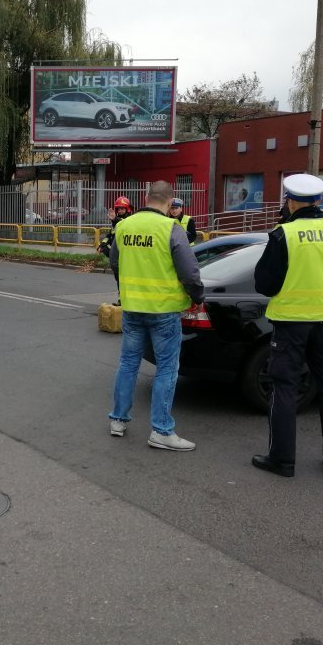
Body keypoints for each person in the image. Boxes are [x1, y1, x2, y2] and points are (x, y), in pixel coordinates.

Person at [252, 173, 323, 478]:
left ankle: (282, 460)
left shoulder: (283, 235)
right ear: (320, 200)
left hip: (291, 324)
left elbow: (264, 284)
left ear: (289, 200)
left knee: (285, 388)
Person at [108, 181, 204, 450]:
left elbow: (115, 262)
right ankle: (161, 430)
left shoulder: (124, 226)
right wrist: (198, 297)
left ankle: (118, 420)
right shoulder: (171, 228)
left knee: (128, 363)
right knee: (166, 369)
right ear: (169, 200)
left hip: (132, 307)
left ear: (147, 197)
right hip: (163, 311)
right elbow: (190, 273)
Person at [96, 196, 132, 302]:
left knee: (125, 279)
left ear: (127, 209)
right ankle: (122, 300)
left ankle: (126, 300)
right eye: (119, 209)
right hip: (117, 256)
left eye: (122, 208)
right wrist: (102, 245)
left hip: (126, 256)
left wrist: (115, 219)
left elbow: (124, 223)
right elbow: (110, 234)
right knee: (119, 279)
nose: (120, 211)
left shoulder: (130, 219)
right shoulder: (115, 222)